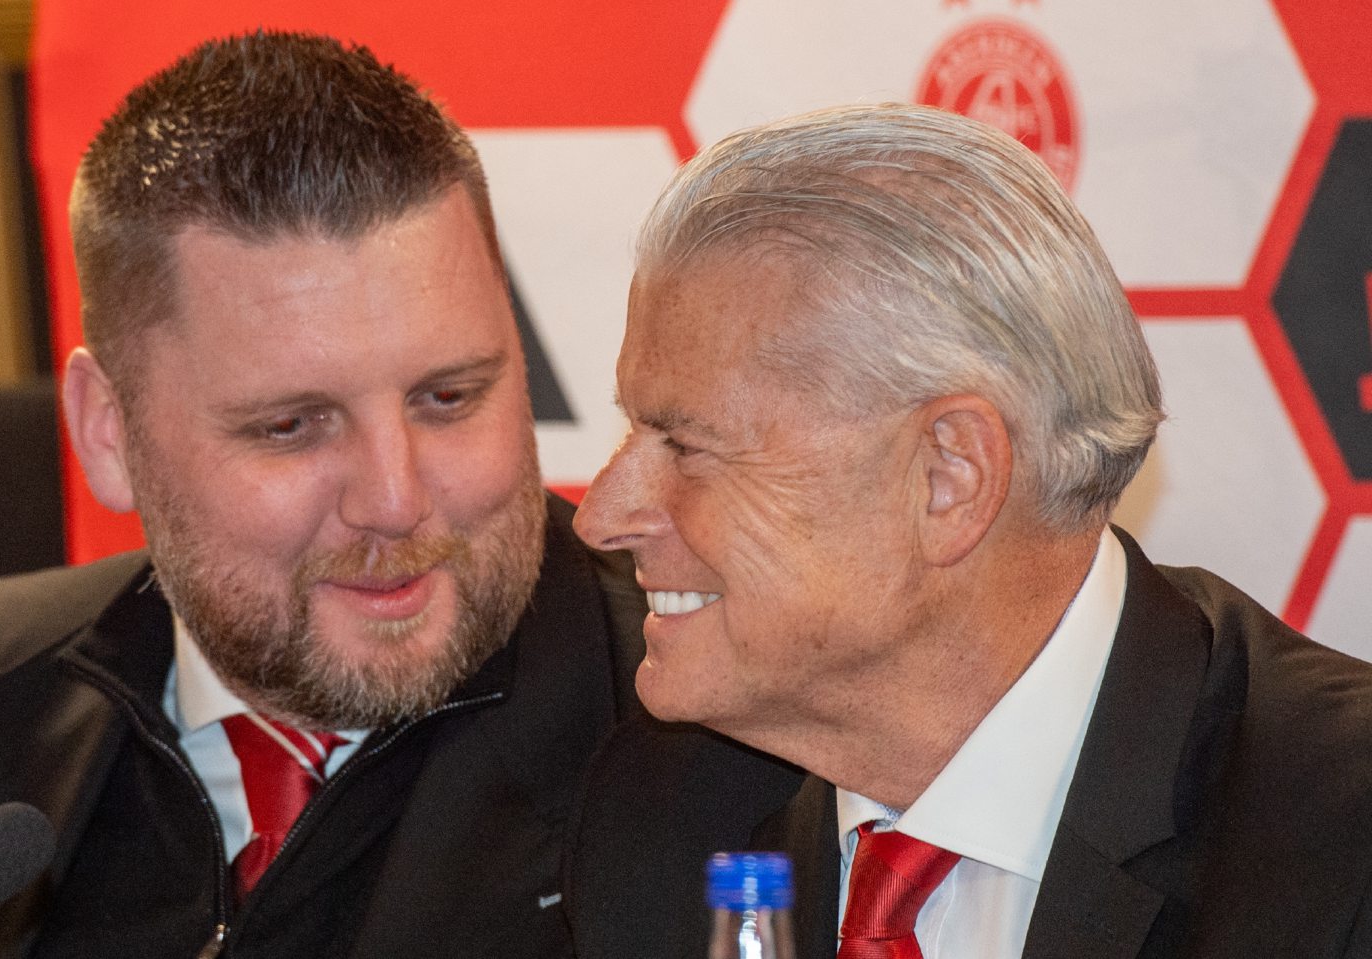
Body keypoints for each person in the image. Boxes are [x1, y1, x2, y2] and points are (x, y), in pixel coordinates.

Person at [567, 103, 1372, 958]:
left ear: (950, 475)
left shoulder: (1340, 847)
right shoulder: (655, 818)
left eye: (685, 446)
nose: (601, 515)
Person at [0, 31, 645, 959]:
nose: (394, 500)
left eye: (449, 397)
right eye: (291, 427)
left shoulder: (724, 739)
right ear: (110, 432)